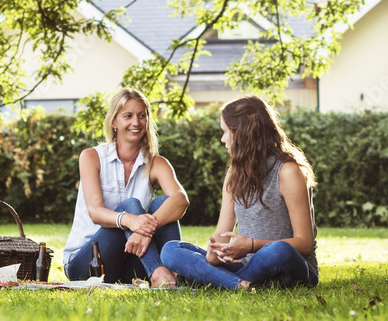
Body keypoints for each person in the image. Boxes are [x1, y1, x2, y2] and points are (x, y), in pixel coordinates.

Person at [161, 95, 319, 290]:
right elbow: (222, 232)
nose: (222, 139)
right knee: (171, 250)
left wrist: (251, 245)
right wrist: (214, 253)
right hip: (248, 266)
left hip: (290, 265)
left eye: (225, 132)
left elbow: (304, 243)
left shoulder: (287, 171)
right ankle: (242, 284)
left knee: (279, 250)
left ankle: (212, 280)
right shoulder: (234, 173)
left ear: (243, 133)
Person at [61, 88, 189, 286]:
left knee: (165, 203)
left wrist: (143, 228)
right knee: (130, 205)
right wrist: (130, 220)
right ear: (114, 121)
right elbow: (96, 212)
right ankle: (158, 271)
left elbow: (181, 200)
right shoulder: (91, 157)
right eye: (127, 116)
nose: (136, 122)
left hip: (130, 263)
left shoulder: (156, 163)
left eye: (141, 116)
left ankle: (168, 272)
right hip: (88, 264)